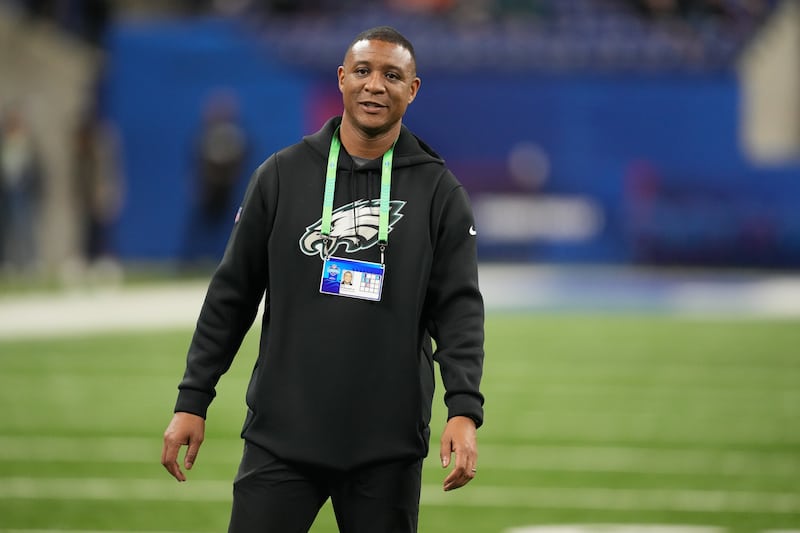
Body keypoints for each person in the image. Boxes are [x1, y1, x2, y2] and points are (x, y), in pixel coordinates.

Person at [161, 26, 485, 533]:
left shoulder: (439, 192)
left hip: (387, 447)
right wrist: (192, 399)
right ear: (342, 79)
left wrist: (463, 410)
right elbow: (231, 296)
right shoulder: (281, 176)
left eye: (392, 75)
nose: (375, 85)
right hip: (282, 438)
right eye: (363, 71)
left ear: (412, 89)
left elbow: (460, 311)